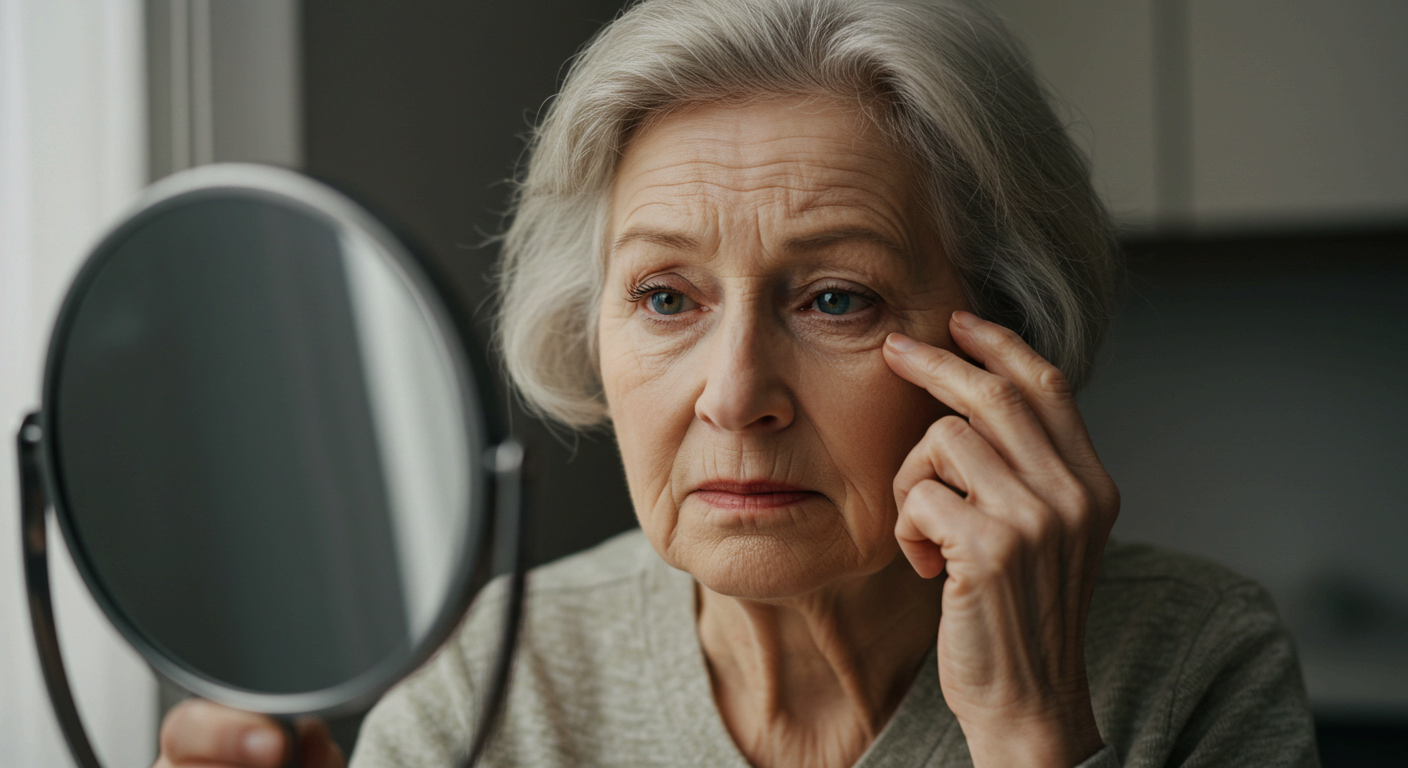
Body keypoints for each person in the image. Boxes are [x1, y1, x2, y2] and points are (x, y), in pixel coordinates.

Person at [153, 0, 1319, 766]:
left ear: (998, 340)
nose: (734, 395)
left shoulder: (1191, 663)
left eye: (835, 299)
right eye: (666, 298)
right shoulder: (496, 693)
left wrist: (1029, 731)